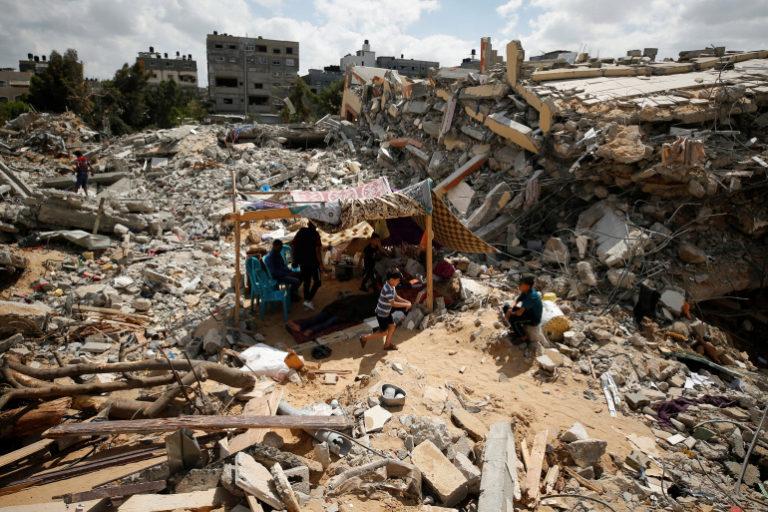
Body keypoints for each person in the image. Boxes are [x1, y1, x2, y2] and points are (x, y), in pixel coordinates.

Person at [287, 293, 379, 338]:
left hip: (352, 311)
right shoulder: (378, 296)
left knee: (330, 321)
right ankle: (301, 326)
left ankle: (310, 329)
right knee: (324, 315)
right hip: (350, 303)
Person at [360, 270, 411, 351]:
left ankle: (387, 345)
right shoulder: (387, 289)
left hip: (386, 312)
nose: (398, 282)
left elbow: (396, 296)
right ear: (392, 280)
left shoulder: (392, 286)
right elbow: (393, 303)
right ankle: (364, 338)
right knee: (383, 332)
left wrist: (407, 302)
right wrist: (406, 304)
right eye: (398, 280)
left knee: (392, 326)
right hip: (382, 314)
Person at [291, 221, 324, 310]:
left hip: (303, 262)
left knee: (307, 282)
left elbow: (293, 245)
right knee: (317, 282)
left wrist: (295, 259)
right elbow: (317, 251)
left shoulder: (301, 231)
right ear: (315, 225)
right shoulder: (315, 234)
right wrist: (321, 264)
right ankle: (307, 300)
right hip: (313, 262)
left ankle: (307, 301)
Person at [503, 274, 543, 341]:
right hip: (528, 312)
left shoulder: (532, 296)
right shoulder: (525, 291)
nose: (519, 285)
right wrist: (510, 309)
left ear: (527, 286)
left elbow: (519, 313)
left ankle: (523, 337)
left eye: (521, 284)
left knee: (513, 320)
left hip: (533, 318)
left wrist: (510, 313)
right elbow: (517, 300)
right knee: (506, 307)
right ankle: (516, 329)